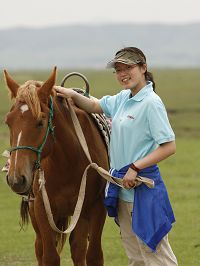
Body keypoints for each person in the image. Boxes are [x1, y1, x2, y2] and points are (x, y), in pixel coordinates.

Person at [55, 47, 178, 266]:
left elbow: (169, 146)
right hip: (123, 191)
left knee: (156, 256)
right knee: (136, 258)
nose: (123, 74)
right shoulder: (124, 98)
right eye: (118, 70)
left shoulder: (151, 103)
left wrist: (136, 167)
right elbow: (94, 105)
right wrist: (72, 95)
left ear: (143, 68)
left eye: (128, 68)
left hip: (143, 190)